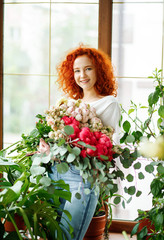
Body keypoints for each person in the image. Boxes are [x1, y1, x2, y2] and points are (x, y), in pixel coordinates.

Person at [49, 45, 121, 240]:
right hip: (56, 171)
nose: (82, 75)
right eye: (77, 70)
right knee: (51, 234)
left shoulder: (108, 103)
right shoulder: (67, 102)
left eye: (88, 68)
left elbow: (104, 147)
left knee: (68, 236)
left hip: (82, 176)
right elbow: (54, 136)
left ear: (99, 70)